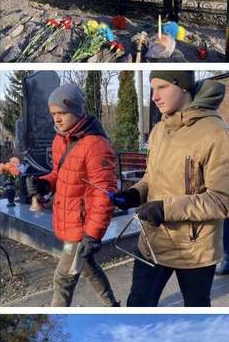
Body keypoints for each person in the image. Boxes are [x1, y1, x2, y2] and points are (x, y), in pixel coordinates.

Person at [111, 73, 229, 306]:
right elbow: (150, 178)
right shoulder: (158, 131)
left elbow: (221, 200)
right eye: (152, 88)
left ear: (183, 87)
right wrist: (134, 193)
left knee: (196, 311)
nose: (154, 97)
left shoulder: (216, 133)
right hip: (153, 242)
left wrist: (165, 208)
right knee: (137, 306)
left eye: (162, 87)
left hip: (195, 250)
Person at [26, 83, 119, 307]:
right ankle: (112, 306)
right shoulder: (61, 140)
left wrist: (93, 234)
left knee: (63, 279)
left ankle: (56, 318)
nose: (56, 119)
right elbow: (59, 175)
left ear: (77, 111)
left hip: (82, 228)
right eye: (53, 114)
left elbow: (104, 194)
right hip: (69, 222)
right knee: (88, 268)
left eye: (62, 113)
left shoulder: (96, 145)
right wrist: (42, 184)